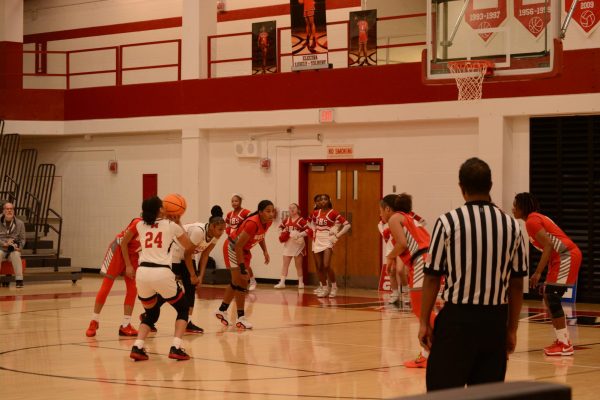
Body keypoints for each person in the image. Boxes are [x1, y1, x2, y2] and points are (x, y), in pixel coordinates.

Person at [419, 157, 528, 391]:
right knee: (487, 394)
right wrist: (511, 329)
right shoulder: (512, 225)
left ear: (461, 187)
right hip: (494, 321)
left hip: (457, 320)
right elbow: (517, 284)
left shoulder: (447, 222)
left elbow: (431, 277)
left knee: (443, 392)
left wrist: (423, 321)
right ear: (490, 185)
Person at [122, 196, 197, 361]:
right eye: (163, 206)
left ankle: (138, 346)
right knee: (183, 308)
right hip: (161, 273)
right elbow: (190, 246)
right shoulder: (171, 226)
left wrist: (128, 265)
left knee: (151, 313)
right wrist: (179, 224)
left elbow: (123, 243)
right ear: (160, 210)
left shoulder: (139, 224)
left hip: (142, 274)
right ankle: (176, 347)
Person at [513, 192, 581, 356]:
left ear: (522, 207)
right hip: (559, 258)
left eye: (515, 205)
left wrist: (537, 273)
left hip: (566, 255)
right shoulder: (534, 219)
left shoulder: (532, 221)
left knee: (551, 297)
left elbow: (549, 245)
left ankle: (565, 345)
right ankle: (562, 339)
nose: (513, 209)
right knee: (548, 297)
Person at [380, 193, 433, 368]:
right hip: (431, 260)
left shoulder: (395, 218)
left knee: (421, 311)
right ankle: (429, 352)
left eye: (381, 210)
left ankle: (431, 353)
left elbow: (402, 244)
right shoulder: (409, 217)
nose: (381, 215)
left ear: (387, 209)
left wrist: (389, 257)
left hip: (422, 263)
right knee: (425, 310)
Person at [215, 200, 275, 329]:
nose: (271, 214)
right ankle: (240, 318)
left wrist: (265, 251)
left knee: (238, 281)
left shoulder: (267, 222)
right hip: (233, 248)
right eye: (268, 211)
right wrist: (242, 268)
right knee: (241, 281)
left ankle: (222, 310)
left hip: (243, 250)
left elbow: (261, 236)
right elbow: (238, 246)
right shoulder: (252, 223)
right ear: (260, 212)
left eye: (272, 211)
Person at [171, 206, 226, 334]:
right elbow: (186, 254)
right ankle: (149, 316)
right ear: (212, 227)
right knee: (169, 289)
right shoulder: (199, 231)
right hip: (175, 252)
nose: (222, 232)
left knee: (191, 288)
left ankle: (188, 322)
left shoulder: (215, 235)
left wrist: (200, 276)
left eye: (223, 230)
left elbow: (205, 254)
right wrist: (192, 275)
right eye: (220, 229)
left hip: (189, 254)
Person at [85, 217, 142, 337]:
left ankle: (126, 325)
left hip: (133, 254)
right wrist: (128, 265)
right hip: (119, 250)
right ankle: (94, 321)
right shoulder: (138, 223)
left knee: (133, 289)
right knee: (106, 286)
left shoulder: (159, 226)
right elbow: (123, 243)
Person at [309, 194, 351, 298]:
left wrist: (337, 235)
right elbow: (309, 222)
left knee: (326, 265)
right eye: (321, 199)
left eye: (325, 199)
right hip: (317, 239)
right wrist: (314, 231)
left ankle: (334, 286)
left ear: (329, 201)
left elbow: (347, 225)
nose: (323, 201)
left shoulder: (333, 212)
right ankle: (324, 287)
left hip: (328, 240)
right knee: (319, 267)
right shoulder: (315, 212)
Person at [224, 194, 257, 290]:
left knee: (244, 263)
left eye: (236, 201)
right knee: (235, 263)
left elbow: (252, 222)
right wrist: (228, 230)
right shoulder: (229, 214)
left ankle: (252, 281)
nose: (234, 203)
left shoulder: (245, 212)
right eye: (232, 201)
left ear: (240, 202)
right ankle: (238, 282)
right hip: (232, 241)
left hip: (242, 241)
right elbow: (227, 224)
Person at [275, 203, 308, 290]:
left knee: (298, 265)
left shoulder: (301, 220)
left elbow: (308, 230)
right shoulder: (286, 220)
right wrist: (282, 233)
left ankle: (301, 282)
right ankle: (282, 282)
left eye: (294, 208)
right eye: (290, 208)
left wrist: (299, 235)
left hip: (298, 244)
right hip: (288, 244)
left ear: (298, 209)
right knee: (285, 264)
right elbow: (279, 228)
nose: (292, 209)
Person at [377, 218, 409, 305]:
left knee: (400, 270)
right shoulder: (381, 224)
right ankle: (395, 294)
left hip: (400, 247)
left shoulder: (399, 218)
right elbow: (385, 235)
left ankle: (406, 294)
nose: (380, 214)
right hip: (390, 248)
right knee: (391, 271)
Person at [0, 202, 26, 288]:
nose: (9, 211)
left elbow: (23, 239)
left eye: (11, 209)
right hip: (1, 248)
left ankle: (19, 280)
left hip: (13, 249)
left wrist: (19, 247)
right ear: (3, 211)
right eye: (7, 209)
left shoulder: (20, 223)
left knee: (16, 254)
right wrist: (4, 243)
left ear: (13, 211)